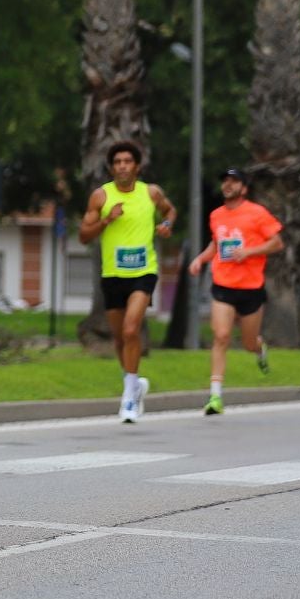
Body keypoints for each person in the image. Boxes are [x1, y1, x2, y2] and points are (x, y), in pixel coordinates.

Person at [78, 140, 176, 423]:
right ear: (111, 167)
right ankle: (135, 385)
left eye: (127, 161)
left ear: (137, 166)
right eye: (117, 162)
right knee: (120, 337)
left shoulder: (151, 193)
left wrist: (167, 225)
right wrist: (107, 220)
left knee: (132, 329)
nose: (122, 166)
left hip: (144, 272)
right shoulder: (100, 197)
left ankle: (128, 400)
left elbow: (170, 211)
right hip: (112, 275)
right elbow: (84, 235)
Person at [187, 168, 282, 415]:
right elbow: (216, 245)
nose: (228, 185)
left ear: (244, 188)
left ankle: (259, 349)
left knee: (248, 342)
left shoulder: (257, 213)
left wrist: (249, 252)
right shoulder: (216, 215)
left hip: (251, 287)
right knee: (221, 336)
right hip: (223, 285)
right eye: (225, 181)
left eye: (234, 181)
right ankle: (215, 397)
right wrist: (200, 259)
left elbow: (277, 243)